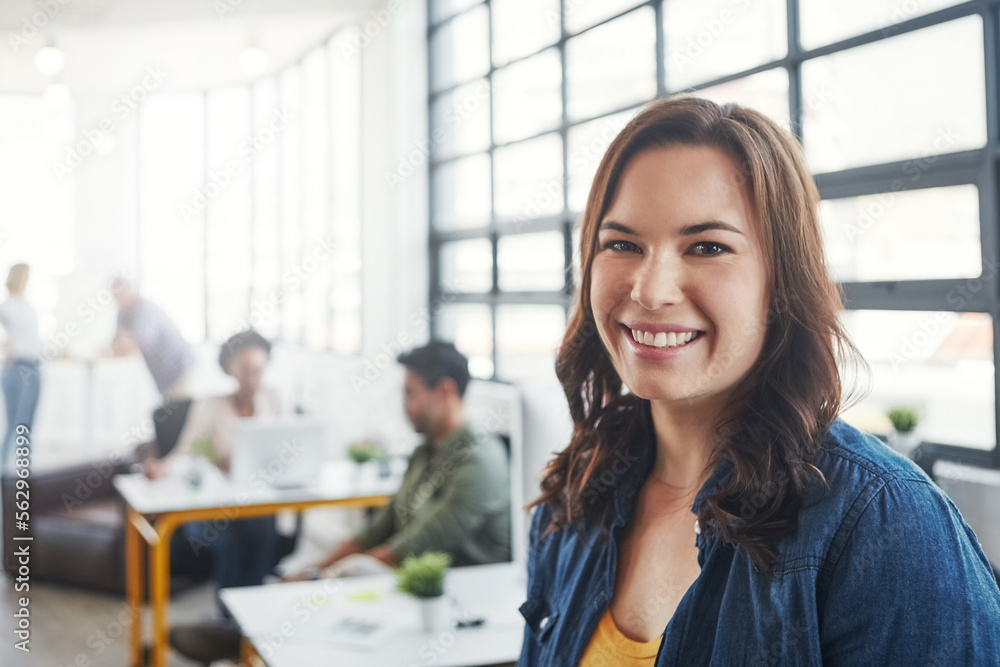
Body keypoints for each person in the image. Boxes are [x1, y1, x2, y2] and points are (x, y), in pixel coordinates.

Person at [518, 96, 1000, 666]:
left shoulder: (883, 524)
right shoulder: (576, 499)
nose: (651, 290)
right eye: (622, 244)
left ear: (780, 285)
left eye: (707, 247)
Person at [169, 341, 512, 663]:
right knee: (327, 579)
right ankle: (246, 635)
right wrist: (312, 572)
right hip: (411, 587)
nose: (405, 405)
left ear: (446, 391)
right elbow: (377, 530)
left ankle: (241, 637)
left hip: (457, 599)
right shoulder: (425, 453)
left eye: (411, 393)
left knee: (347, 580)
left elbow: (414, 545)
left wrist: (320, 579)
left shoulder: (479, 461)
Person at [144, 330, 284, 590]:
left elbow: (287, 447)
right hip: (212, 505)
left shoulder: (273, 399)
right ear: (230, 369)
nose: (253, 380)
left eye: (259, 371)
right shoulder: (211, 405)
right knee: (231, 540)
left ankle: (250, 615)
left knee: (262, 530)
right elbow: (186, 453)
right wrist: (163, 468)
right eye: (246, 371)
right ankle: (228, 621)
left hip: (256, 501)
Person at [111, 277, 195, 401]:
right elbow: (116, 342)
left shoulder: (145, 309)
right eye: (114, 297)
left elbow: (138, 344)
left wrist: (119, 347)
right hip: (164, 379)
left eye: (119, 296)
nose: (117, 301)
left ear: (128, 291)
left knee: (181, 414)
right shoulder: (122, 314)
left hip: (181, 371)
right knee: (169, 413)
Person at [0, 264, 41, 474]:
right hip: (17, 369)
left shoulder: (27, 304)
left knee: (27, 427)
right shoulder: (7, 305)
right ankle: (5, 473)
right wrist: (5, 345)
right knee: (16, 425)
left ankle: (23, 476)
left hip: (34, 368)